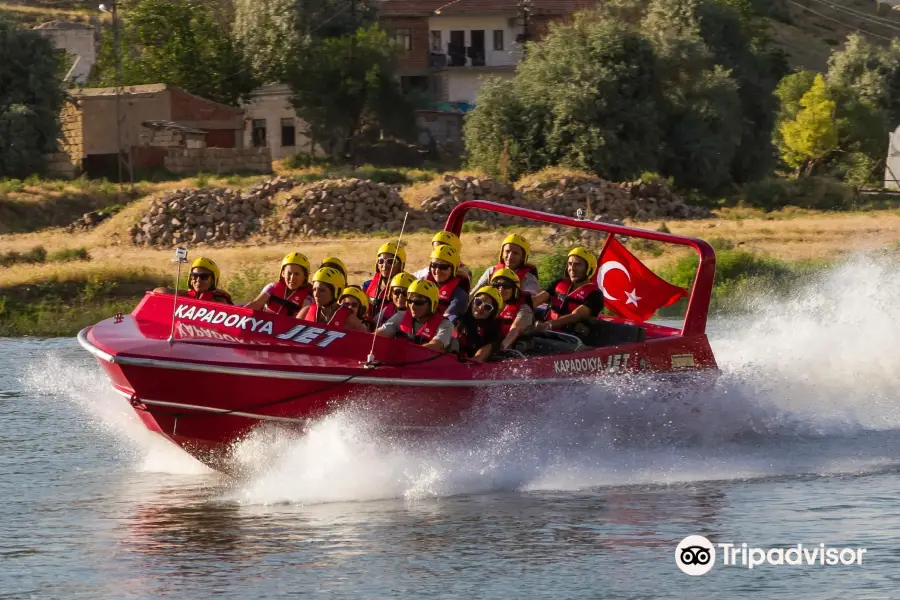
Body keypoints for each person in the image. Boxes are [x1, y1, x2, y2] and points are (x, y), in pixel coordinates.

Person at [531, 247, 603, 333]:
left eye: (577, 264)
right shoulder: (559, 283)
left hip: (571, 339)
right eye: (569, 264)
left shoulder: (595, 294)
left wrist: (548, 325)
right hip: (545, 332)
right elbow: (537, 299)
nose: (572, 268)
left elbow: (575, 316)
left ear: (589, 269)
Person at [376, 279, 454, 352]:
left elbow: (435, 345)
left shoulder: (445, 325)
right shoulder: (401, 316)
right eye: (410, 301)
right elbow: (379, 335)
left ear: (432, 305)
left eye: (418, 302)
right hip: (399, 362)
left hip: (428, 365)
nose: (412, 306)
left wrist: (409, 353)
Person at [296, 267, 367, 332]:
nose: (316, 294)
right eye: (314, 289)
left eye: (322, 290)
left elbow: (366, 341)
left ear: (336, 292)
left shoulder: (349, 319)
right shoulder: (306, 312)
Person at [244, 252, 312, 317]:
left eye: (296, 274)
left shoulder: (308, 298)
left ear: (305, 276)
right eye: (289, 273)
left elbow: (302, 321)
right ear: (283, 274)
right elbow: (256, 304)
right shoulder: (271, 287)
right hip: (265, 326)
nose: (292, 278)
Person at [471, 234, 540, 296]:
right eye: (507, 251)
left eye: (515, 253)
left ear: (523, 257)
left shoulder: (529, 279)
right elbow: (474, 295)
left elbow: (530, 301)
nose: (510, 257)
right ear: (502, 253)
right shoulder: (491, 272)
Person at [152, 257, 232, 304]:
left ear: (213, 280)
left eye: (204, 276)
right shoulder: (186, 295)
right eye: (194, 276)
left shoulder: (221, 299)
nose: (198, 280)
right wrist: (179, 293)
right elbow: (157, 291)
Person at [456, 286, 504, 362]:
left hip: (475, 361)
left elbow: (490, 345)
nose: (481, 307)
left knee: (492, 344)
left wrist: (477, 358)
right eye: (478, 302)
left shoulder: (494, 327)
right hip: (452, 357)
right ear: (472, 302)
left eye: (487, 307)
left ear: (492, 313)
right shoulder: (459, 317)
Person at [490, 268, 534, 351]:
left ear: (515, 290)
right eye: (497, 285)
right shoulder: (487, 305)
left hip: (509, 349)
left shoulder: (524, 309)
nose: (501, 289)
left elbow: (515, 330)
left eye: (506, 285)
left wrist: (501, 348)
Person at [425, 244, 470, 323]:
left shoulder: (460, 296)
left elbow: (447, 323)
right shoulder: (422, 285)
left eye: (443, 267)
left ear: (453, 269)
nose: (437, 270)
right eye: (434, 265)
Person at [362, 241, 406, 319]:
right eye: (381, 261)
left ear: (401, 265)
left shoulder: (407, 288)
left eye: (391, 261)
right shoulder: (367, 286)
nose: (385, 266)